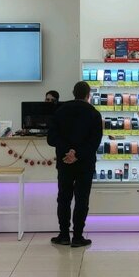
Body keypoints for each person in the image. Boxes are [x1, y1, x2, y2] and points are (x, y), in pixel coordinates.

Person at [47, 80, 102, 247]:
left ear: (73, 93)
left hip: (65, 162)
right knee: (81, 199)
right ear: (88, 95)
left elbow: (51, 139)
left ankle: (64, 235)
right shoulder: (94, 113)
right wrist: (77, 154)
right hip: (85, 163)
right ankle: (78, 237)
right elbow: (94, 142)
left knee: (64, 198)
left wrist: (68, 151)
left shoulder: (60, 111)